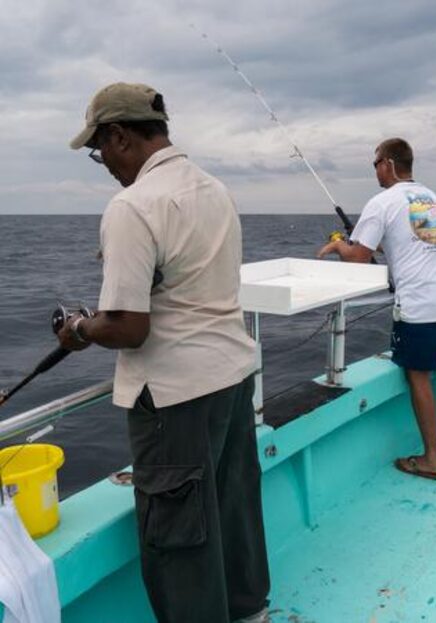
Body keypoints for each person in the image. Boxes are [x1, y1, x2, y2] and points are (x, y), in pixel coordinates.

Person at [59, 82, 271, 623]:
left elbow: (128, 327)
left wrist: (81, 328)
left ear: (120, 135)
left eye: (99, 148)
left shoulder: (133, 205)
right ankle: (250, 613)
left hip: (174, 400)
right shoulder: (214, 190)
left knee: (179, 538)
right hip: (232, 378)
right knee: (232, 512)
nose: (102, 161)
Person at [317, 138, 436, 481]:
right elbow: (414, 239)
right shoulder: (431, 197)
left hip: (418, 303)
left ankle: (431, 459)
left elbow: (358, 257)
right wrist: (371, 242)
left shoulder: (382, 201)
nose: (375, 172)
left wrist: (340, 245)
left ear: (388, 163)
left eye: (375, 165)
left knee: (418, 374)